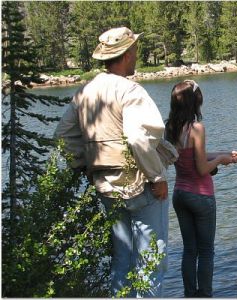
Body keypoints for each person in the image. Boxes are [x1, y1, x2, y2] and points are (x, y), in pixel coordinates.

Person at [54, 27, 177, 297]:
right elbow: (136, 138)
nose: (136, 56)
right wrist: (157, 177)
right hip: (140, 186)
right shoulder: (130, 91)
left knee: (123, 261)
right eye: (134, 51)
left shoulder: (84, 92)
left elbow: (62, 136)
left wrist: (84, 167)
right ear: (126, 54)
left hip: (105, 187)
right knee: (151, 262)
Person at [165, 80, 237, 297]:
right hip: (201, 197)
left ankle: (190, 295)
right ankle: (206, 296)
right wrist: (220, 160)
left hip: (180, 195)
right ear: (195, 102)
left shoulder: (170, 128)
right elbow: (201, 168)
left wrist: (227, 154)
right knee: (206, 252)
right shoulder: (197, 128)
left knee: (190, 250)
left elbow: (190, 157)